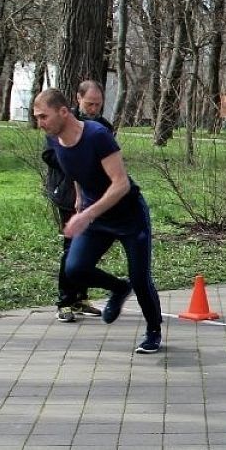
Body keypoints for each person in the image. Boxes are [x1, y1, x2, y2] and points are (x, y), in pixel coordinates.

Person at [32, 89, 164, 354]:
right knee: (75, 269)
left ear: (63, 112)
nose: (40, 123)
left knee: (140, 278)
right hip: (95, 215)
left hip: (129, 216)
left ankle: (153, 331)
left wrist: (86, 214)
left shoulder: (96, 135)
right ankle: (118, 288)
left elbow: (121, 184)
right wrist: (81, 199)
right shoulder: (57, 141)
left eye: (43, 116)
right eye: (37, 117)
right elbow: (77, 171)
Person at [43, 79, 116, 322]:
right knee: (71, 248)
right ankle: (65, 300)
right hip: (68, 194)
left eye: (97, 104)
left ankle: (81, 297)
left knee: (87, 250)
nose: (93, 108)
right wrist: (77, 161)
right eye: (89, 104)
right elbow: (49, 155)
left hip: (94, 197)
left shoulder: (104, 127)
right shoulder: (61, 122)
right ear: (78, 99)